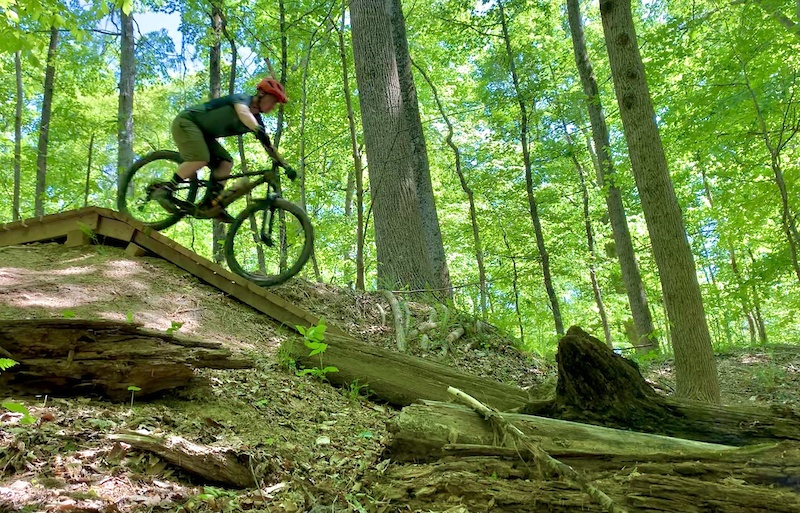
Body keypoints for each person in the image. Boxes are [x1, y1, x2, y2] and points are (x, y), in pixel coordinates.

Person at [153, 77, 296, 223]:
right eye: (273, 101)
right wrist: (257, 129)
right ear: (261, 94)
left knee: (226, 162)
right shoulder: (242, 99)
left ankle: (211, 204)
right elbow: (243, 113)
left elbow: (269, 147)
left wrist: (285, 165)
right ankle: (165, 189)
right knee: (201, 158)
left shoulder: (257, 121)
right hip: (187, 122)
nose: (273, 107)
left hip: (204, 135)